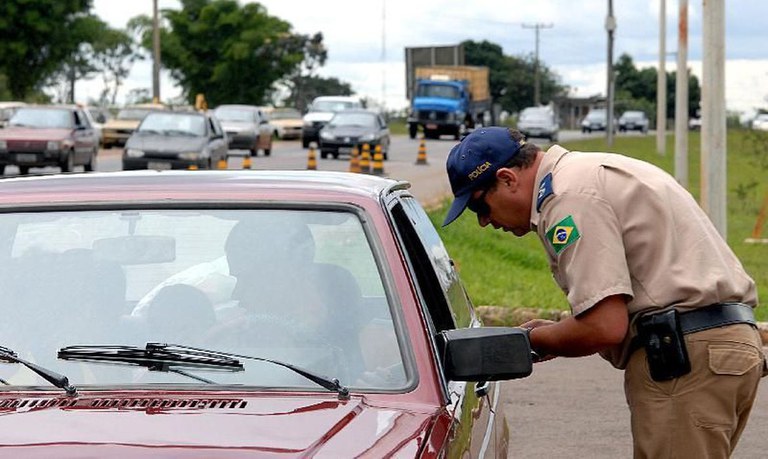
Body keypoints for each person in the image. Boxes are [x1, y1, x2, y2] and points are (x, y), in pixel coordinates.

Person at [442, 126, 767, 458]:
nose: (483, 222)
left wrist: (532, 341)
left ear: (508, 178)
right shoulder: (587, 172)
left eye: (479, 206)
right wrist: (556, 330)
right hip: (721, 347)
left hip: (683, 358)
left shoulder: (567, 196)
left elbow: (604, 326)